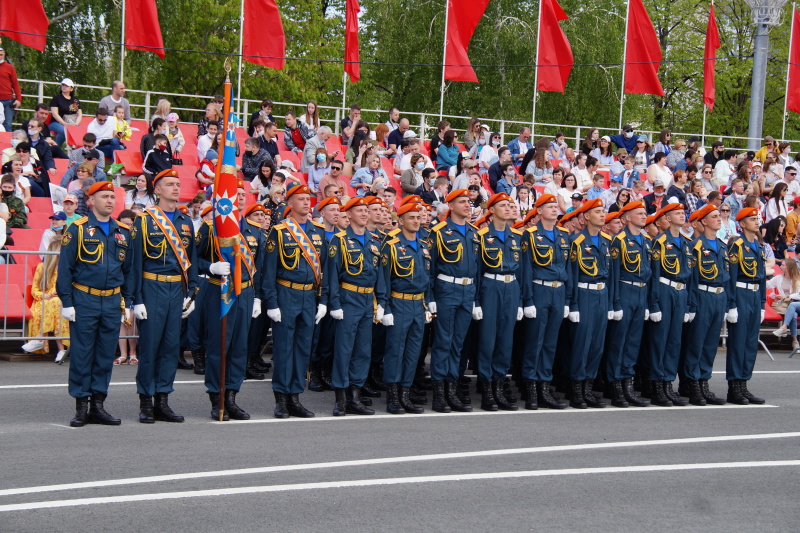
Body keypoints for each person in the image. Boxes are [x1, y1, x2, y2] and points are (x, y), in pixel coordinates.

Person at [56, 181, 133, 427]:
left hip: (111, 300)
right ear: (91, 201)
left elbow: (129, 270)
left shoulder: (123, 231)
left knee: (103, 354)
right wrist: (67, 302)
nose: (110, 201)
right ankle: (81, 406)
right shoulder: (77, 229)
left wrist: (129, 302)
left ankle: (98, 404)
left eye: (112, 196)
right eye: (104, 197)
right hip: (84, 299)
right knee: (82, 354)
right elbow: (65, 268)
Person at [130, 169, 199, 424]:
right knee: (150, 347)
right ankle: (146, 401)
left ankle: (163, 399)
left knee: (171, 347)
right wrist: (136, 299)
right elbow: (136, 262)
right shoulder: (145, 220)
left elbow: (190, 260)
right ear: (157, 190)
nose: (176, 188)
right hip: (151, 287)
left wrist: (191, 292)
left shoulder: (185, 221)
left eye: (178, 184)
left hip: (175, 290)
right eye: (170, 184)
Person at [195, 182, 261, 420]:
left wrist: (258, 298)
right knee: (218, 347)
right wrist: (210, 267)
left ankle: (232, 396)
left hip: (245, 293)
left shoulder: (254, 230)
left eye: (243, 195)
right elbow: (194, 259)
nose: (240, 198)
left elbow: (259, 267)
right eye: (236, 195)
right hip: (219, 292)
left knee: (239, 348)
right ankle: (216, 397)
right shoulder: (211, 228)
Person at [263, 184, 327, 418]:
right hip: (286, 293)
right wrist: (271, 303)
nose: (306, 202)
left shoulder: (318, 232)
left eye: (307, 198)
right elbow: (268, 271)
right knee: (283, 348)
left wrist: (323, 300)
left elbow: (324, 271)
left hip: (309, 295)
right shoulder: (279, 232)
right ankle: (281, 398)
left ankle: (295, 396)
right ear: (290, 204)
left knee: (302, 349)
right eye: (300, 199)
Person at [323, 196, 387, 415]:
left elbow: (379, 276)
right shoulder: (339, 241)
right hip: (348, 298)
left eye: (365, 211)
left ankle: (355, 395)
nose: (363, 214)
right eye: (358, 210)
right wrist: (334, 304)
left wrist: (381, 302)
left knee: (363, 350)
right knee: (344, 349)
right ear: (348, 215)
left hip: (367, 301)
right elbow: (331, 276)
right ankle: (340, 398)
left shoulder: (374, 241)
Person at [516, 194, 571, 409]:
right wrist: (527, 299)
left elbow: (568, 269)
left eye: (555, 206)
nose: (554, 209)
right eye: (548, 206)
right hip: (539, 289)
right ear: (538, 210)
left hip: (558, 291)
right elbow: (526, 269)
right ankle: (531, 388)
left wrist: (567, 300)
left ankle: (544, 387)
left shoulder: (564, 235)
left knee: (550, 343)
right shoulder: (529, 235)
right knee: (534, 341)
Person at [471, 193, 523, 411]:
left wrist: (520, 300)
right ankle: (487, 389)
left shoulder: (516, 237)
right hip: (490, 287)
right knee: (488, 340)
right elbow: (475, 270)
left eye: (509, 205)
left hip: (511, 287)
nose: (507, 208)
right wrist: (476, 300)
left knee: (505, 340)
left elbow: (522, 271)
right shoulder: (481, 236)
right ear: (491, 210)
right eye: (502, 205)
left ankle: (500, 385)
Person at [379, 201, 432, 414]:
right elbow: (384, 280)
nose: (416, 221)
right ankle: (393, 396)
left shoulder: (424, 246)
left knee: (413, 352)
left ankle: (405, 394)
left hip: (418, 304)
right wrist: (385, 307)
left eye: (418, 217)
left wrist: (427, 305)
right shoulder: (391, 246)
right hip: (398, 302)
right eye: (411, 217)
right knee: (395, 351)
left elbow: (427, 279)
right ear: (400, 221)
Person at [565, 199, 613, 409]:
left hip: (601, 294)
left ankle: (588, 386)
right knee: (581, 343)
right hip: (584, 294)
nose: (603, 215)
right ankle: (576, 388)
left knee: (596, 344)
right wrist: (573, 304)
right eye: (598, 212)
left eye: (603, 212)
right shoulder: (576, 241)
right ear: (586, 216)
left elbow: (610, 275)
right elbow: (572, 275)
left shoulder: (605, 241)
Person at [604, 201, 652, 407]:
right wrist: (614, 303)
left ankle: (628, 384)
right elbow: (613, 275)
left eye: (645, 213)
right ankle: (615, 385)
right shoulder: (618, 240)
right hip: (624, 290)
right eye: (639, 213)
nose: (644, 216)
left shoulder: (647, 241)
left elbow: (650, 273)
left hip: (641, 291)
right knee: (619, 341)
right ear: (627, 218)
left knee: (633, 342)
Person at [684, 205, 730, 407]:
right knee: (696, 343)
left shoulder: (722, 246)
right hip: (702, 295)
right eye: (714, 216)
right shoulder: (695, 246)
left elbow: (725, 276)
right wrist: (692, 305)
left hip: (718, 297)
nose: (719, 219)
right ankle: (693, 384)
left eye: (719, 216)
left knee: (710, 345)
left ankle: (704, 382)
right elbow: (692, 279)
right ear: (703, 221)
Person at [648, 202, 692, 407]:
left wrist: (688, 304)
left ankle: (668, 383)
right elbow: (655, 275)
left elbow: (690, 275)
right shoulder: (659, 242)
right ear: (667, 218)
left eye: (683, 213)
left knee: (674, 341)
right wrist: (655, 304)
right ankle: (657, 386)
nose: (682, 216)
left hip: (680, 291)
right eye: (677, 213)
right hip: (665, 290)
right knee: (660, 340)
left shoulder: (685, 242)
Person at [725, 207, 767, 404]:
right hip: (741, 293)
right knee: (738, 342)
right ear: (742, 224)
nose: (756, 221)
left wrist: (762, 304)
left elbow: (762, 278)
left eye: (757, 218)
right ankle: (734, 387)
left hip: (753, 294)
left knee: (750, 343)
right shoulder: (737, 246)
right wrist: (731, 303)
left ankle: (744, 383)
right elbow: (731, 277)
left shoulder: (758, 246)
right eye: (752, 219)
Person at [21, 239, 70, 361]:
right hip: (44, 300)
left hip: (62, 300)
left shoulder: (68, 268)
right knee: (52, 304)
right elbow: (35, 289)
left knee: (56, 303)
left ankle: (39, 338)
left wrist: (59, 294)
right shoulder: (42, 267)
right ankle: (60, 350)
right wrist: (44, 295)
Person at [771, 258, 800, 349]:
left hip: (795, 303)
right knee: (793, 315)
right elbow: (768, 285)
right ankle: (795, 341)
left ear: (789, 267)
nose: (780, 266)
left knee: (792, 305)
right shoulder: (779, 278)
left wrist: (787, 297)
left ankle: (784, 327)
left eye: (783, 265)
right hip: (788, 306)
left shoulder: (798, 278)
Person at [49, 78, 82, 146]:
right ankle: (56, 148)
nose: (64, 87)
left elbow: (79, 114)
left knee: (81, 130)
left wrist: (76, 123)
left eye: (66, 85)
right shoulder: (56, 98)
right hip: (56, 122)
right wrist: (64, 123)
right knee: (63, 130)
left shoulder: (75, 100)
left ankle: (77, 149)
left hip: (72, 122)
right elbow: (55, 114)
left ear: (71, 89)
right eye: (63, 85)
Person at [0, 47, 22, 132]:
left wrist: (19, 99)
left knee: (8, 124)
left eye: (1, 55)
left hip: (8, 99)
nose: (0, 57)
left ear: (4, 55)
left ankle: (6, 144)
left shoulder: (10, 68)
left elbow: (15, 84)